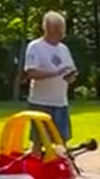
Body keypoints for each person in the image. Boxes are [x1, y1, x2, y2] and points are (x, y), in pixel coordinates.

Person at [24, 11, 78, 147]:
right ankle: (36, 166)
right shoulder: (35, 47)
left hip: (60, 102)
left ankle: (62, 167)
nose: (61, 34)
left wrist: (71, 76)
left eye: (62, 30)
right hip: (40, 102)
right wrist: (54, 73)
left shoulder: (64, 49)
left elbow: (70, 72)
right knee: (39, 141)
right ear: (47, 29)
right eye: (58, 30)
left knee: (61, 140)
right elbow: (31, 72)